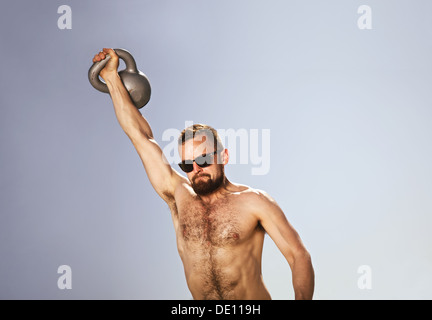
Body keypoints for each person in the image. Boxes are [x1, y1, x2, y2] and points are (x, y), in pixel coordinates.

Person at [92, 48, 315, 300]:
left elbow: (298, 256)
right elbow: (141, 136)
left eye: (203, 159)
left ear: (224, 157)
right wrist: (111, 78)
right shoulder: (179, 197)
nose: (196, 170)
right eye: (187, 165)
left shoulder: (255, 201)